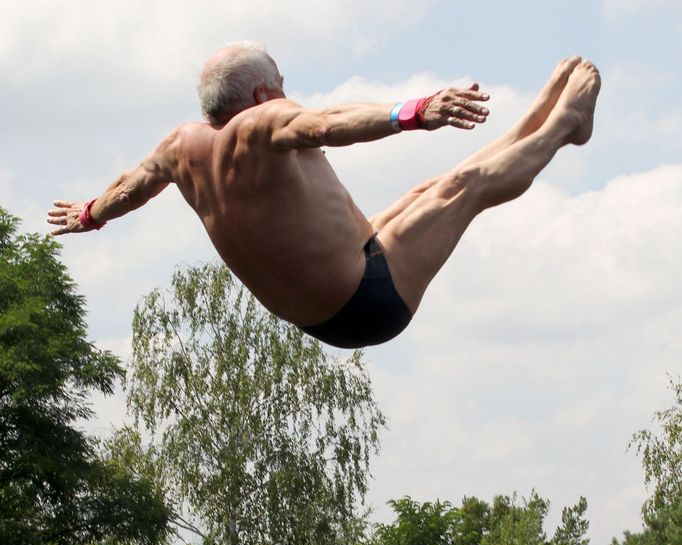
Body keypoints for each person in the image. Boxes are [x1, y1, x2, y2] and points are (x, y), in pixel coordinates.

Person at [48, 46, 600, 351]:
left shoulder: (177, 149)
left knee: (429, 190)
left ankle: (535, 119)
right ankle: (565, 126)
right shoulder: (265, 121)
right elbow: (325, 123)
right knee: (464, 190)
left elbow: (129, 187)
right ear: (265, 94)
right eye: (282, 84)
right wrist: (413, 112)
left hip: (328, 311)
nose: (286, 93)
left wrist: (90, 214)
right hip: (369, 300)